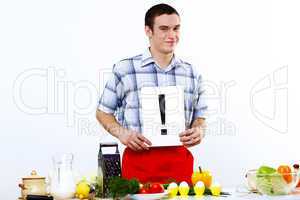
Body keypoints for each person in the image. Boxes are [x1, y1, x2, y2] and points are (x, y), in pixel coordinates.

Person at [96, 3, 207, 184]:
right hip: (138, 163)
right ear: (148, 31)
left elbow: (200, 116)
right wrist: (123, 134)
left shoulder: (191, 72)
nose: (172, 35)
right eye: (164, 29)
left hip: (179, 164)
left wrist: (199, 130)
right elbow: (102, 112)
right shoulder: (125, 69)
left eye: (176, 28)